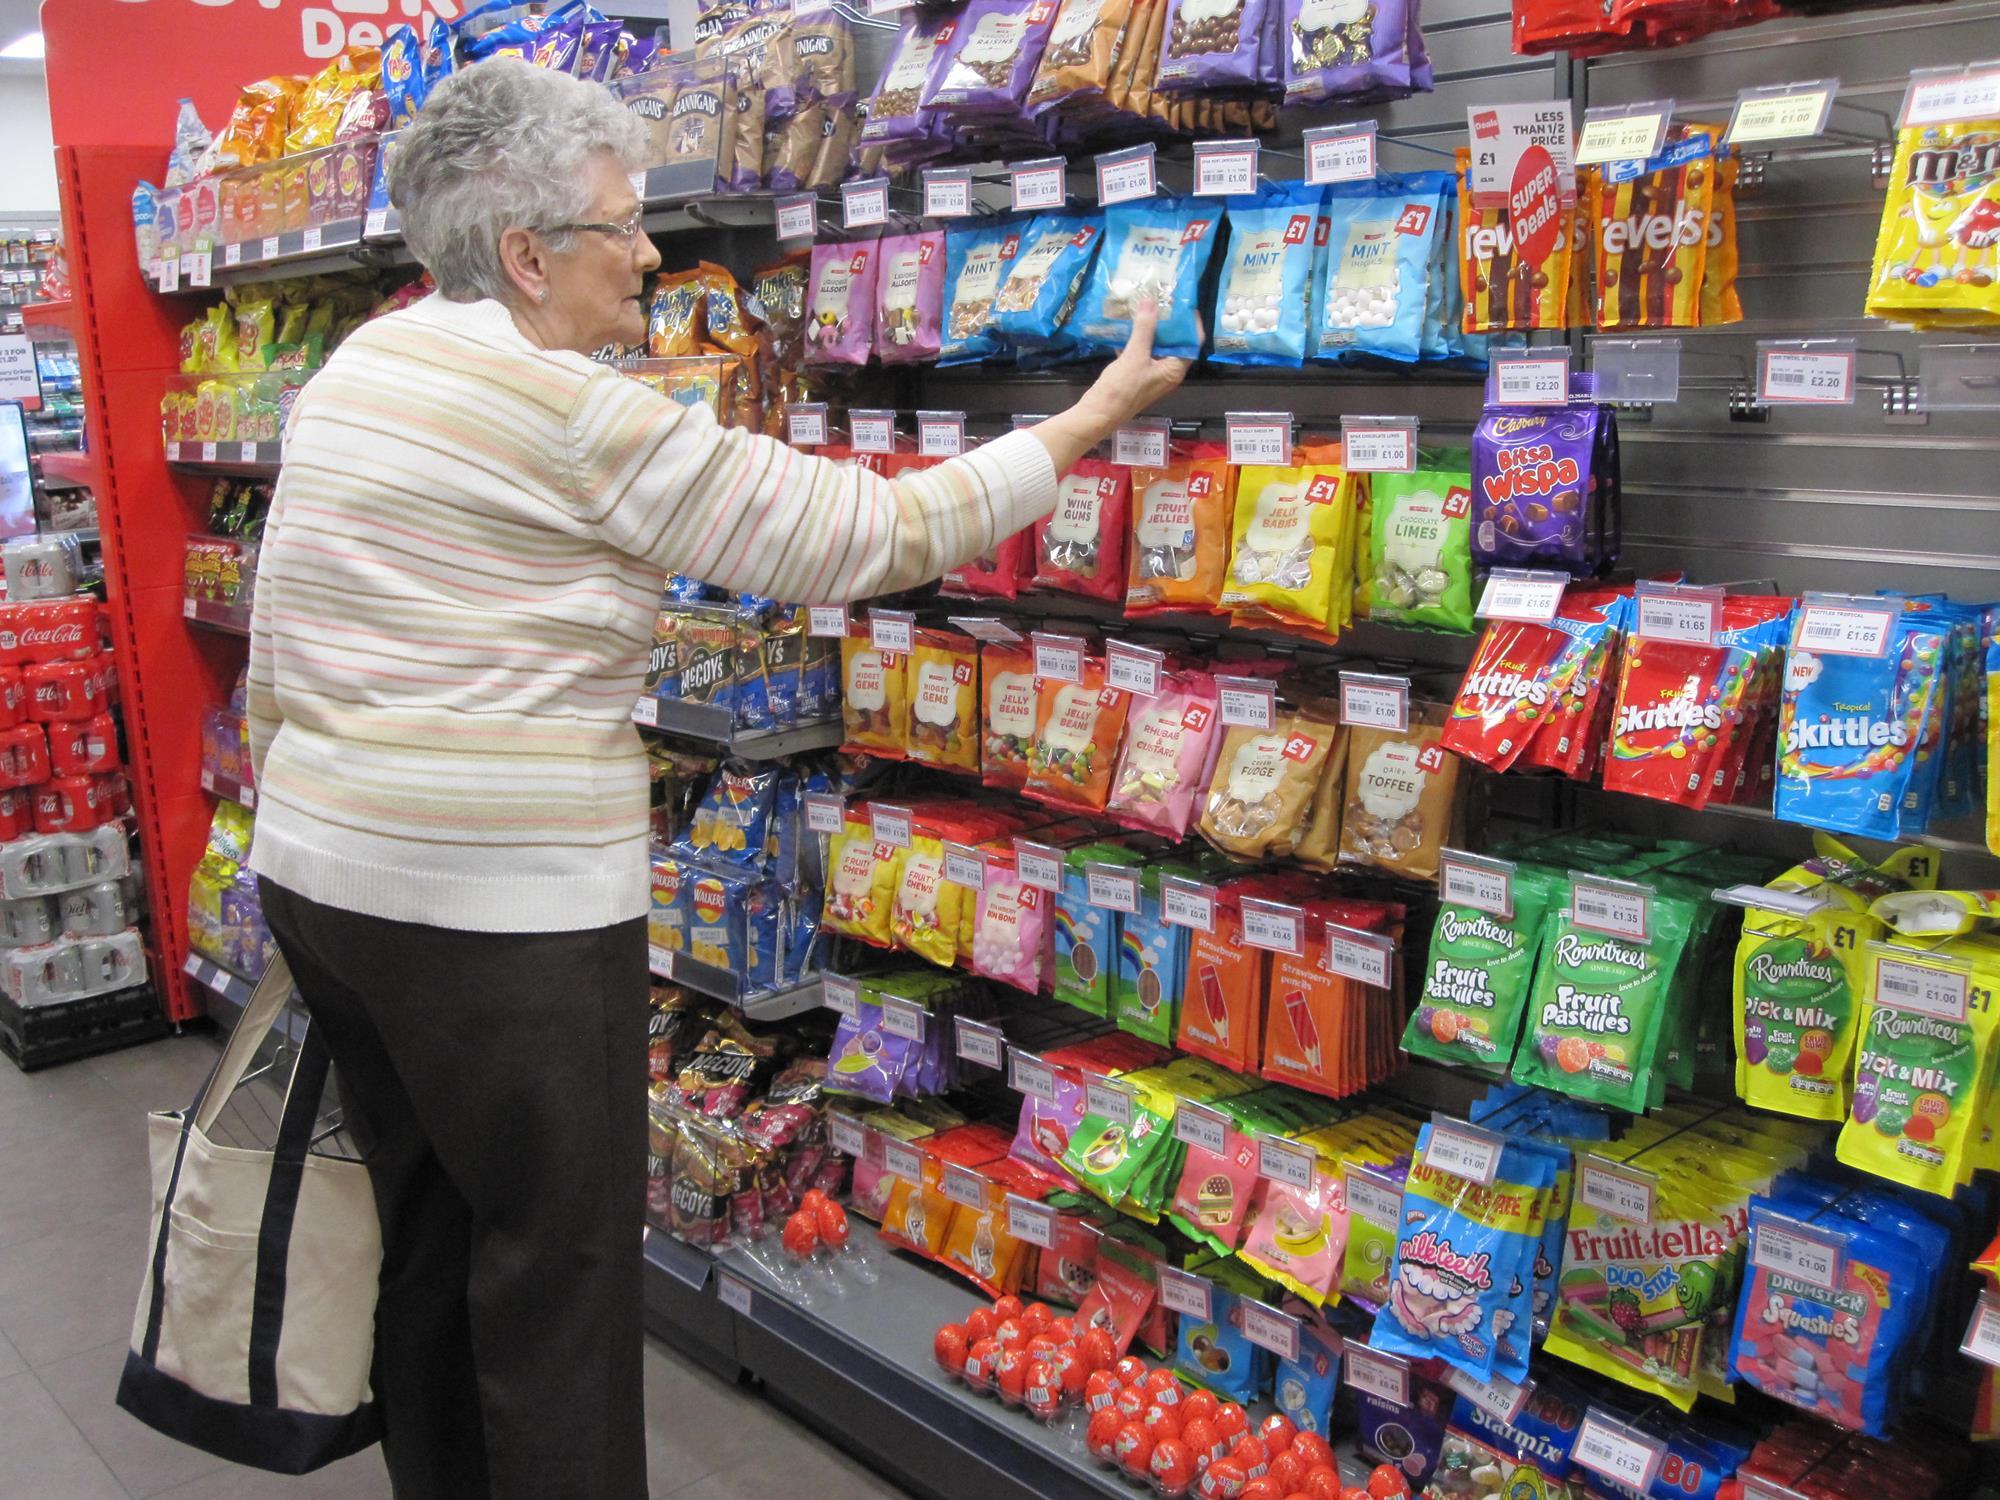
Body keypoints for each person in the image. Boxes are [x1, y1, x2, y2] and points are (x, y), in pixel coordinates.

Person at [243, 56, 1189, 1500]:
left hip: (326, 880)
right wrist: (1082, 421)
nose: (650, 254)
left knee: (431, 1236)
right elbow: (862, 535)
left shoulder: (360, 370)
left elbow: (282, 636)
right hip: (496, 916)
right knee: (556, 1277)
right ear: (526, 255)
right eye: (623, 226)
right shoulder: (568, 410)